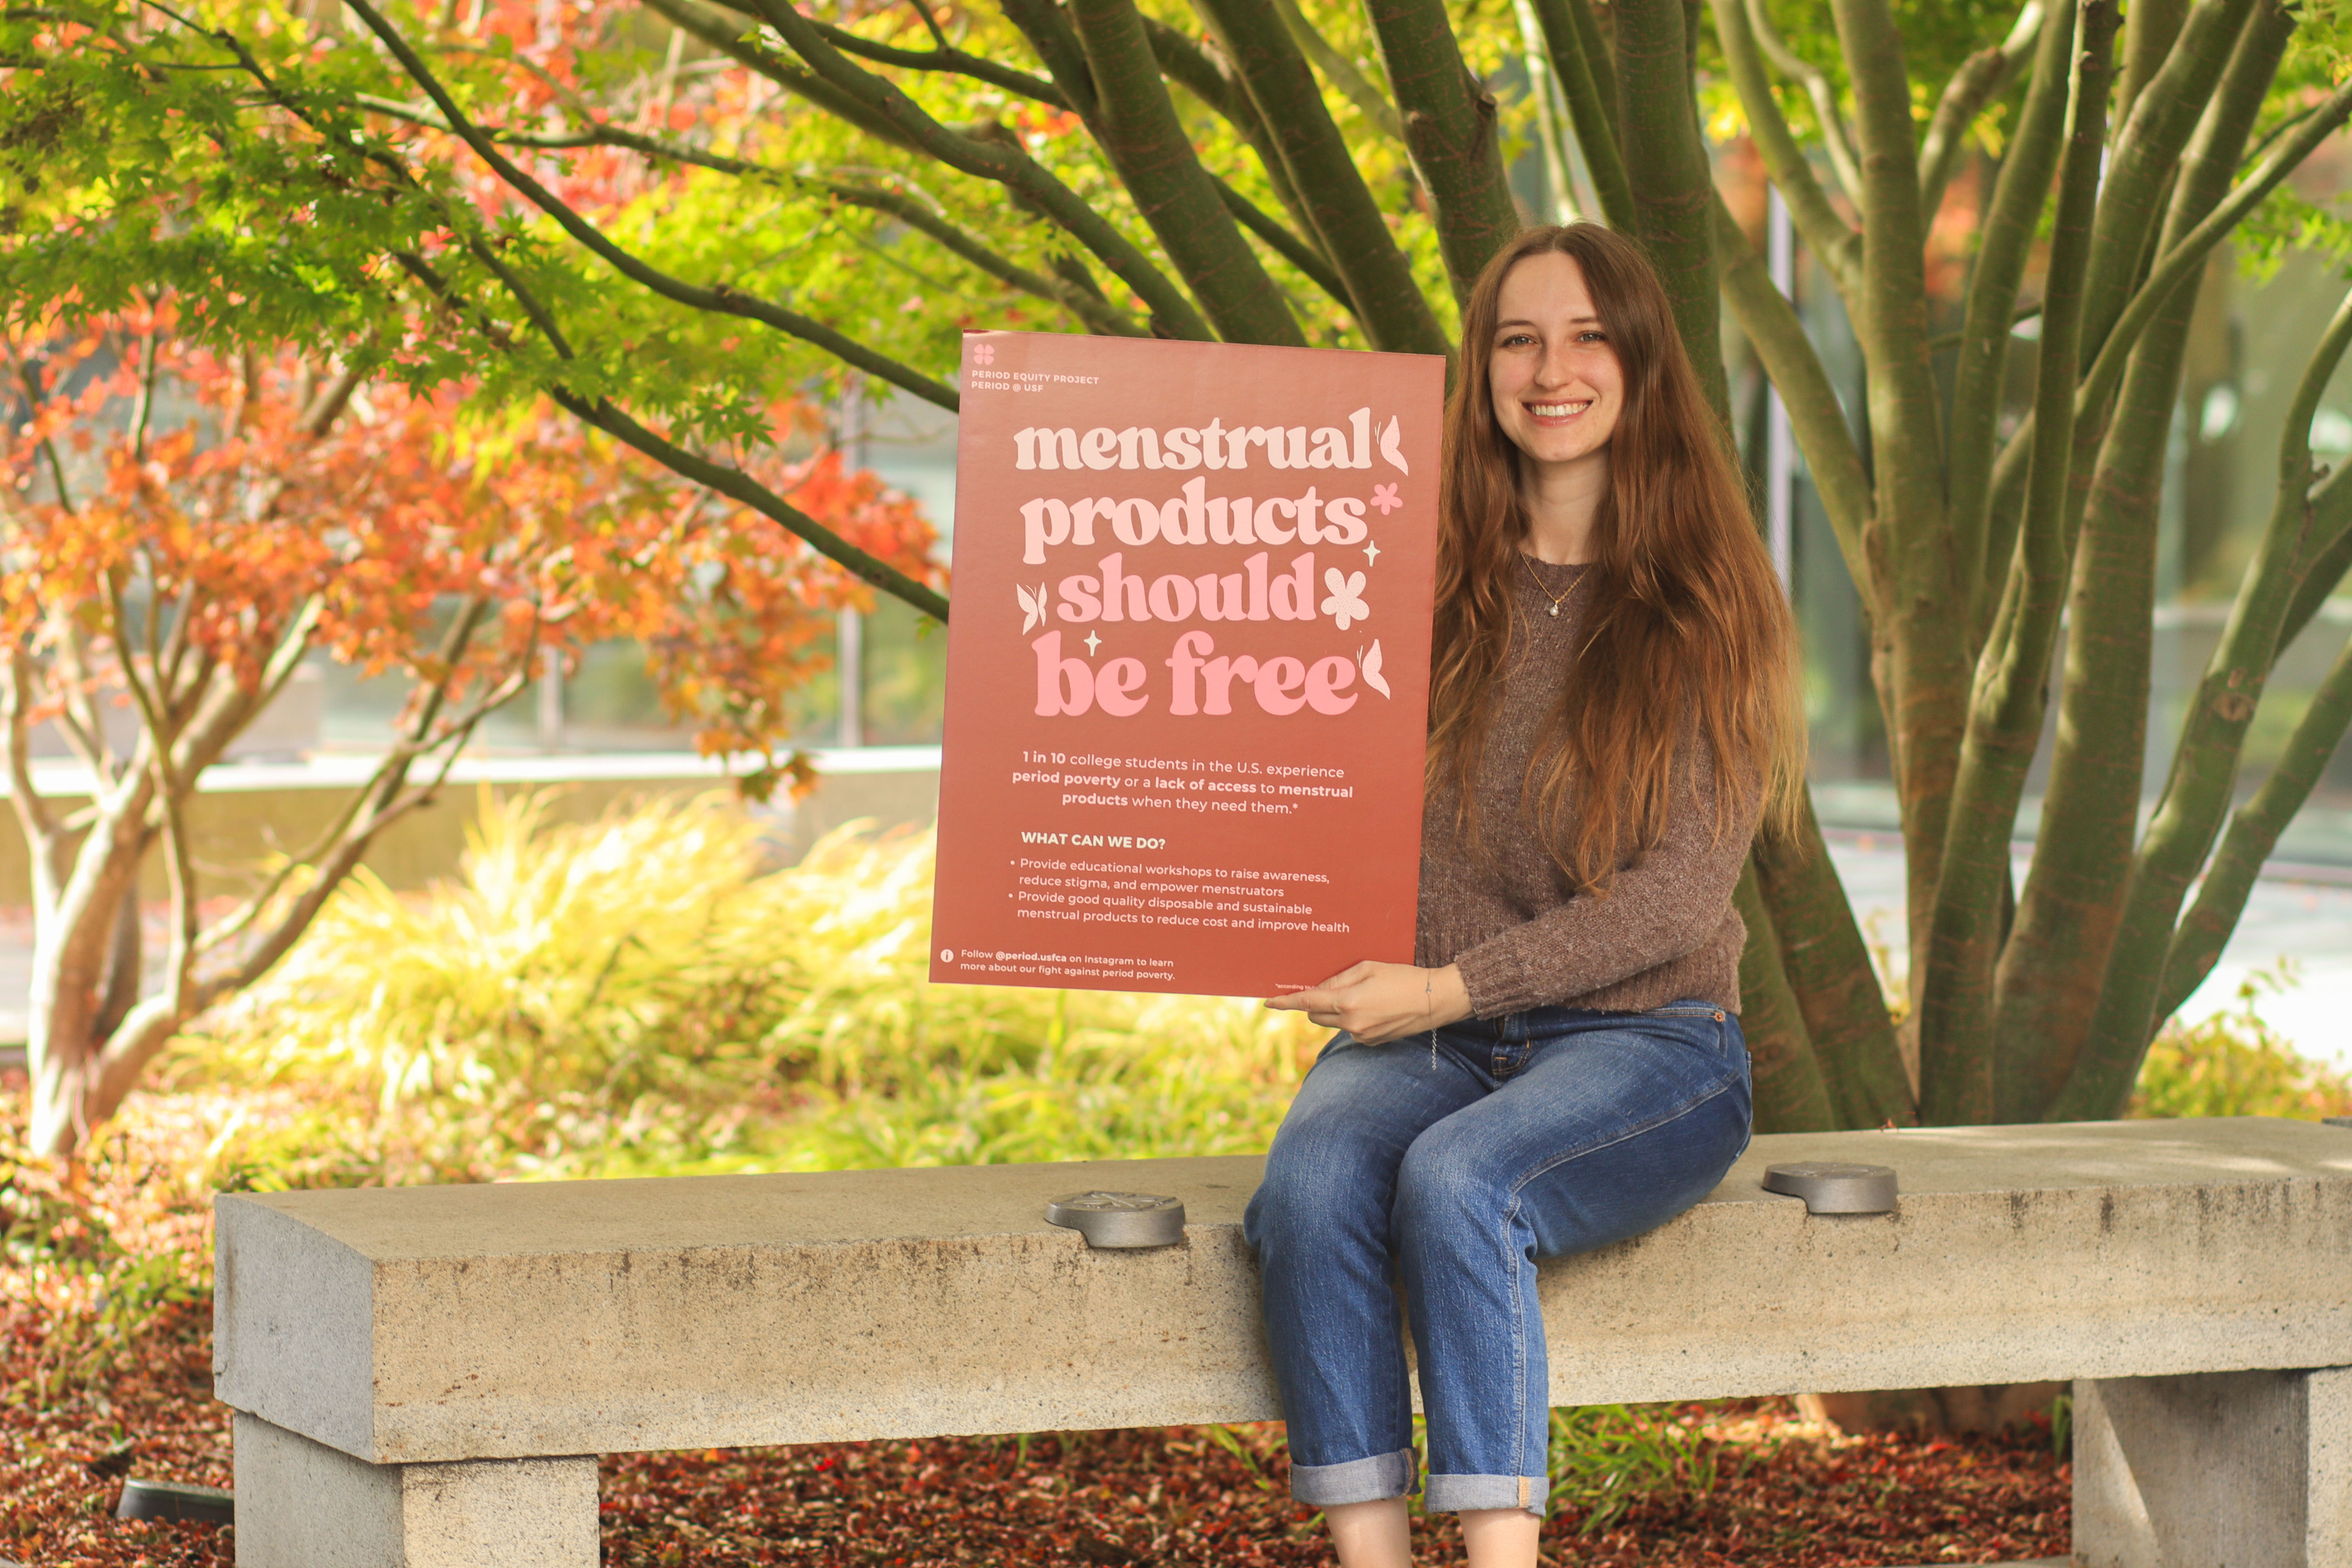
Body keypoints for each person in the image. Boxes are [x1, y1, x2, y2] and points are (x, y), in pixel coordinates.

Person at [1254, 223, 1806, 1568]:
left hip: (1651, 1045)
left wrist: (1444, 989)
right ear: (1484, 370)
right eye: (1518, 339)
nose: (1550, 369)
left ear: (1640, 363)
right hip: (1437, 1035)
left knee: (1460, 1181)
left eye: (1585, 337)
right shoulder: (1410, 586)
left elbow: (1676, 897)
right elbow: (1297, 770)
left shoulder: (1712, 604)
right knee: (1311, 1178)